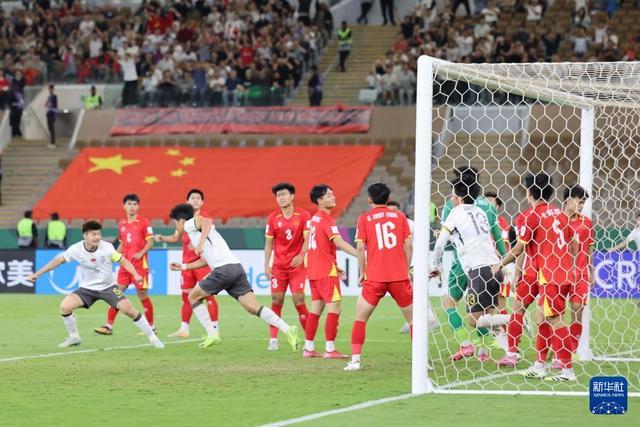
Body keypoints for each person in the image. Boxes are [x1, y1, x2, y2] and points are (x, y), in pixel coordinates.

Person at [168, 203, 302, 350]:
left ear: (181, 221)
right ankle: (288, 329)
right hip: (236, 268)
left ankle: (212, 334)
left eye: (175, 223)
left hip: (223, 270)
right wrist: (184, 267)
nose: (176, 227)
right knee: (253, 308)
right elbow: (206, 260)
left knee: (193, 297)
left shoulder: (189, 225)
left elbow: (206, 221)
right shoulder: (197, 233)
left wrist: (200, 244)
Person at [493, 174, 578, 381]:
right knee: (541, 318)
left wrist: (500, 264)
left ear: (529, 194)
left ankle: (567, 370)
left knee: (555, 320)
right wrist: (571, 265)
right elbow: (573, 242)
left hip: (549, 276)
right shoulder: (560, 213)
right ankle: (539, 365)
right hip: (561, 273)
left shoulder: (530, 216)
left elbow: (519, 248)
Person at [27, 221, 164, 349]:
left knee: (129, 311)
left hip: (108, 287)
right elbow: (57, 261)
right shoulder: (76, 249)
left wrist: (136, 274)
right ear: (85, 235)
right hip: (87, 289)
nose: (97, 237)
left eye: (99, 234)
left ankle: (152, 337)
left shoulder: (107, 247)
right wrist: (37, 274)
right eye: (94, 234)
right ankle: (74, 337)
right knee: (65, 307)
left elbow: (123, 261)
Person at [430, 173, 507, 362]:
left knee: (472, 319)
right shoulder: (483, 211)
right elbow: (492, 236)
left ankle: (510, 321)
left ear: (459, 197)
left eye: (452, 194)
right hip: (495, 268)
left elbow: (440, 244)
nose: (450, 198)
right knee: (486, 313)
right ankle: (483, 351)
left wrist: (435, 265)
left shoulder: (455, 212)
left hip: (477, 271)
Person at [344, 183, 413, 371]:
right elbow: (409, 245)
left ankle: (356, 361)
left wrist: (362, 272)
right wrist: (406, 269)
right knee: (413, 321)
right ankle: (422, 362)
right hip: (399, 276)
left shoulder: (364, 218)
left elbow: (360, 247)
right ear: (388, 198)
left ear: (369, 199)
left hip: (375, 277)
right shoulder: (400, 217)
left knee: (360, 318)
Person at [155, 189, 219, 338]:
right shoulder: (183, 220)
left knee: (208, 295)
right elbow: (175, 237)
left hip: (202, 263)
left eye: (198, 198)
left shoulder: (204, 219)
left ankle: (215, 329)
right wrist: (162, 238)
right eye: (192, 198)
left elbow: (211, 238)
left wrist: (199, 243)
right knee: (186, 296)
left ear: (202, 202)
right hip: (186, 265)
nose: (195, 200)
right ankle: (184, 329)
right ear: (187, 201)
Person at [303, 184, 358, 358]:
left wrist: (334, 263)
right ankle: (330, 349)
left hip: (314, 270)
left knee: (316, 309)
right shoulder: (327, 220)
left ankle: (308, 348)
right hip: (325, 271)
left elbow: (320, 246)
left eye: (332, 194)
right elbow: (339, 242)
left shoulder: (314, 219)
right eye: (328, 195)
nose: (333, 197)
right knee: (335, 308)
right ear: (319, 200)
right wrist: (360, 254)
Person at [95, 194, 155, 335]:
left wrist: (141, 253)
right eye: (129, 204)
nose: (132, 207)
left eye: (134, 204)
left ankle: (152, 327)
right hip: (125, 266)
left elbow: (150, 242)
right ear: (124, 206)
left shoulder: (144, 222)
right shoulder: (122, 224)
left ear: (138, 206)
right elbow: (122, 244)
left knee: (142, 295)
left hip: (139, 266)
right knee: (116, 293)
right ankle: (108, 326)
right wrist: (113, 255)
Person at [264, 183, 311, 351]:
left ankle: (309, 341)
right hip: (279, 267)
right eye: (278, 195)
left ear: (292, 196)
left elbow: (308, 239)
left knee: (299, 300)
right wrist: (266, 264)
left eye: (284, 194)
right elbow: (268, 244)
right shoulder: (272, 218)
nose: (281, 198)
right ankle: (273, 340)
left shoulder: (304, 215)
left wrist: (301, 254)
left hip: (297, 266)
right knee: (276, 300)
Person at [563, 185, 594, 359]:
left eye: (583, 203)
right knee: (554, 313)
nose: (581, 206)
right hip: (558, 273)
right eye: (579, 201)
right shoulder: (557, 221)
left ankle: (571, 350)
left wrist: (592, 271)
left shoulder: (586, 223)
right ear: (568, 200)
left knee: (577, 310)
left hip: (580, 273)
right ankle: (557, 345)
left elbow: (589, 249)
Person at [45, 84, 57, 149]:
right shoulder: (49, 96)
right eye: (49, 89)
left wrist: (49, 104)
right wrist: (48, 104)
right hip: (49, 113)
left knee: (52, 128)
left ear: (52, 89)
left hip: (52, 113)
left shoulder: (54, 96)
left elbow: (52, 105)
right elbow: (46, 104)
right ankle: (51, 142)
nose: (50, 90)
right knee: (50, 128)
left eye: (51, 89)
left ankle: (53, 142)